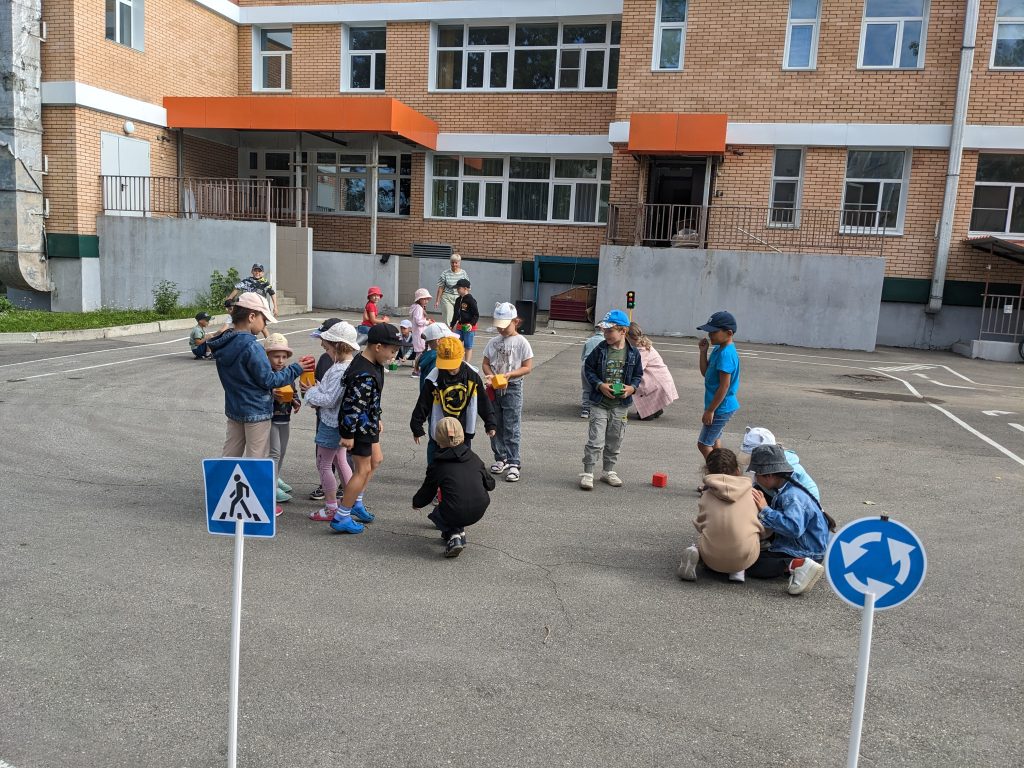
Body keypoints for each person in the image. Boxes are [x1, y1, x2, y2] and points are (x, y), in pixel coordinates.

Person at [207, 293, 314, 463]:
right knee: (256, 460)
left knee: (230, 455)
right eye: (264, 319)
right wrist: (296, 368)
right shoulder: (252, 346)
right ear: (251, 316)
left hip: (234, 408)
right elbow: (269, 380)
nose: (265, 324)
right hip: (256, 410)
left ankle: (224, 480)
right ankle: (252, 482)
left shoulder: (224, 344)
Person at [333, 323, 403, 534]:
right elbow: (351, 406)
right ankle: (342, 516)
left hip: (369, 423)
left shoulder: (374, 364)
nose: (393, 356)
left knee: (376, 459)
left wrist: (377, 416)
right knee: (362, 470)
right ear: (378, 347)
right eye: (393, 351)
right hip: (358, 428)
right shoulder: (363, 373)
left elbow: (371, 399)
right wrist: (347, 434)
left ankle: (356, 501)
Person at [747, 444, 835, 596]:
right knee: (754, 556)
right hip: (800, 547)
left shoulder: (791, 496)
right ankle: (795, 564)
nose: (755, 478)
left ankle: (797, 564)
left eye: (757, 474)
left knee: (752, 564)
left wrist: (765, 509)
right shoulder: (786, 488)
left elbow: (794, 528)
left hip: (807, 552)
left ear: (768, 475)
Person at [578, 309, 644, 490]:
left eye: (609, 331)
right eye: (604, 330)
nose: (605, 334)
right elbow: (588, 369)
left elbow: (638, 375)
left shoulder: (633, 353)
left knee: (615, 439)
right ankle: (588, 472)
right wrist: (599, 385)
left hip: (620, 405)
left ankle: (608, 471)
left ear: (623, 331)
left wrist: (632, 388)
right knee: (595, 440)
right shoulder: (600, 350)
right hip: (599, 403)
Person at [677, 448, 763, 584]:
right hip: (744, 557)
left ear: (708, 472)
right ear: (738, 470)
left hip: (712, 559)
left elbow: (700, 525)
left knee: (709, 536)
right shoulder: (754, 494)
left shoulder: (706, 495)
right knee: (752, 536)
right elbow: (764, 529)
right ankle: (738, 570)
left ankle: (697, 552)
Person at [302, 322, 361, 523]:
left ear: (338, 346)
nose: (323, 348)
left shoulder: (339, 370)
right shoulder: (349, 366)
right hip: (341, 423)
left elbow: (329, 399)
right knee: (340, 460)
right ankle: (351, 502)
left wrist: (310, 392)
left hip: (331, 423)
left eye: (327, 346)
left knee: (324, 463)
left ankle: (331, 507)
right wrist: (318, 390)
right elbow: (330, 393)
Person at [412, 417, 495, 558]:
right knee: (456, 503)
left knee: (439, 512)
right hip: (479, 509)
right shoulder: (474, 458)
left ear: (438, 439)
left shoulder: (437, 465)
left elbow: (428, 490)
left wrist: (417, 503)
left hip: (455, 510)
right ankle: (458, 530)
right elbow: (490, 484)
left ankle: (454, 535)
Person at [411, 335, 496, 467]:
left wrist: (490, 423)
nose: (450, 369)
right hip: (440, 426)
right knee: (436, 455)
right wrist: (416, 426)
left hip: (463, 426)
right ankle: (434, 475)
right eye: (446, 364)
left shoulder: (471, 376)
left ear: (462, 357)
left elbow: (483, 400)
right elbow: (423, 402)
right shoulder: (434, 377)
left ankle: (459, 476)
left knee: (462, 457)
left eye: (453, 365)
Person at [482, 302, 534, 483]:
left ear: (516, 322)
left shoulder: (522, 342)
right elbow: (486, 363)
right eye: (499, 326)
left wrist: (510, 374)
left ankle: (513, 462)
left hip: (513, 386)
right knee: (494, 423)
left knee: (511, 425)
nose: (501, 330)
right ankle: (500, 457)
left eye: (505, 326)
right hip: (494, 386)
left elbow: (527, 367)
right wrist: (490, 376)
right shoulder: (493, 342)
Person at [696, 310, 741, 459]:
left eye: (714, 332)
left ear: (729, 333)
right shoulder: (718, 349)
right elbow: (706, 373)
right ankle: (722, 470)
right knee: (714, 440)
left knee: (703, 444)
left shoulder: (726, 354)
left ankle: (719, 470)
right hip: (719, 406)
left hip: (720, 407)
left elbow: (724, 386)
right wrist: (703, 352)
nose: (710, 335)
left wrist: (710, 410)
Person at [264, 333, 302, 506]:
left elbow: (293, 391)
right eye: (276, 356)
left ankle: (276, 477)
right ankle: (270, 486)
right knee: (274, 453)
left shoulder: (287, 373)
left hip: (285, 418)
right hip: (270, 419)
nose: (280, 360)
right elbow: (259, 391)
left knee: (282, 451)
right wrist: (271, 393)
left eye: (284, 357)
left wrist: (295, 400)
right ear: (267, 356)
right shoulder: (266, 374)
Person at [308, 317, 342, 501]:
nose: (321, 343)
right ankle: (329, 486)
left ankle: (338, 495)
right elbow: (319, 384)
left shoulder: (344, 364)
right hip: (324, 415)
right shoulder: (324, 359)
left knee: (334, 458)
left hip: (335, 418)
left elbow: (328, 397)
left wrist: (312, 394)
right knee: (329, 457)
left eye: (324, 339)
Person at [739, 426, 819, 502]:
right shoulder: (768, 464)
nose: (756, 475)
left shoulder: (790, 473)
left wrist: (766, 509)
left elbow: (796, 504)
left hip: (803, 502)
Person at [627, 322, 678, 421]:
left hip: (657, 381)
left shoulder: (641, 350)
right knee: (641, 384)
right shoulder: (642, 345)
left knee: (637, 383)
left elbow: (637, 368)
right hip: (660, 379)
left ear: (628, 337)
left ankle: (652, 410)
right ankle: (656, 409)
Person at [224, 264, 278, 338]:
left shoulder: (265, 282)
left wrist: (275, 307)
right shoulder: (247, 281)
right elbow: (237, 288)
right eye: (255, 270)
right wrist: (229, 298)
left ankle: (269, 343)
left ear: (262, 273)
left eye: (259, 271)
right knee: (246, 326)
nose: (257, 273)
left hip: (259, 308)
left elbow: (272, 293)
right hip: (247, 307)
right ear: (252, 271)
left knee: (263, 328)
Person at [449, 278, 479, 364]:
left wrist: (471, 324)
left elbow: (476, 315)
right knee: (457, 343)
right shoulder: (458, 300)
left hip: (469, 327)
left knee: (468, 346)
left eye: (459, 288)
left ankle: (467, 364)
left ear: (465, 288)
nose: (457, 290)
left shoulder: (471, 300)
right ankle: (458, 361)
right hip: (460, 326)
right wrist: (452, 325)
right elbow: (455, 314)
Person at [434, 253, 468, 326]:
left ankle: (455, 331)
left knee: (458, 317)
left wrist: (467, 298)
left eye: (456, 263)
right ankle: (449, 331)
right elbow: (441, 288)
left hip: (459, 297)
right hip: (447, 297)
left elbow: (467, 287)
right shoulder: (445, 273)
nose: (454, 264)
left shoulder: (463, 273)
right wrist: (437, 300)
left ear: (459, 263)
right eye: (452, 262)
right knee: (448, 316)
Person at [578, 326, 603, 419]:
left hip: (585, 365)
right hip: (598, 366)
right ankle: (597, 406)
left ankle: (586, 409)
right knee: (598, 387)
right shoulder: (605, 341)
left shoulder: (588, 341)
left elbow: (583, 356)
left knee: (586, 388)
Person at [418, 323, 453, 390]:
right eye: (449, 339)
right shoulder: (437, 360)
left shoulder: (429, 356)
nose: (452, 342)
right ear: (438, 341)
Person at [409, 288, 432, 375]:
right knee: (420, 352)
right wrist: (428, 322)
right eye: (424, 299)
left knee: (420, 352)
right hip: (419, 333)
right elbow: (419, 321)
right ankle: (416, 370)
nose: (426, 301)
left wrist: (427, 321)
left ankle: (418, 369)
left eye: (427, 299)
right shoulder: (418, 308)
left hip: (418, 333)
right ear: (419, 299)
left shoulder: (417, 307)